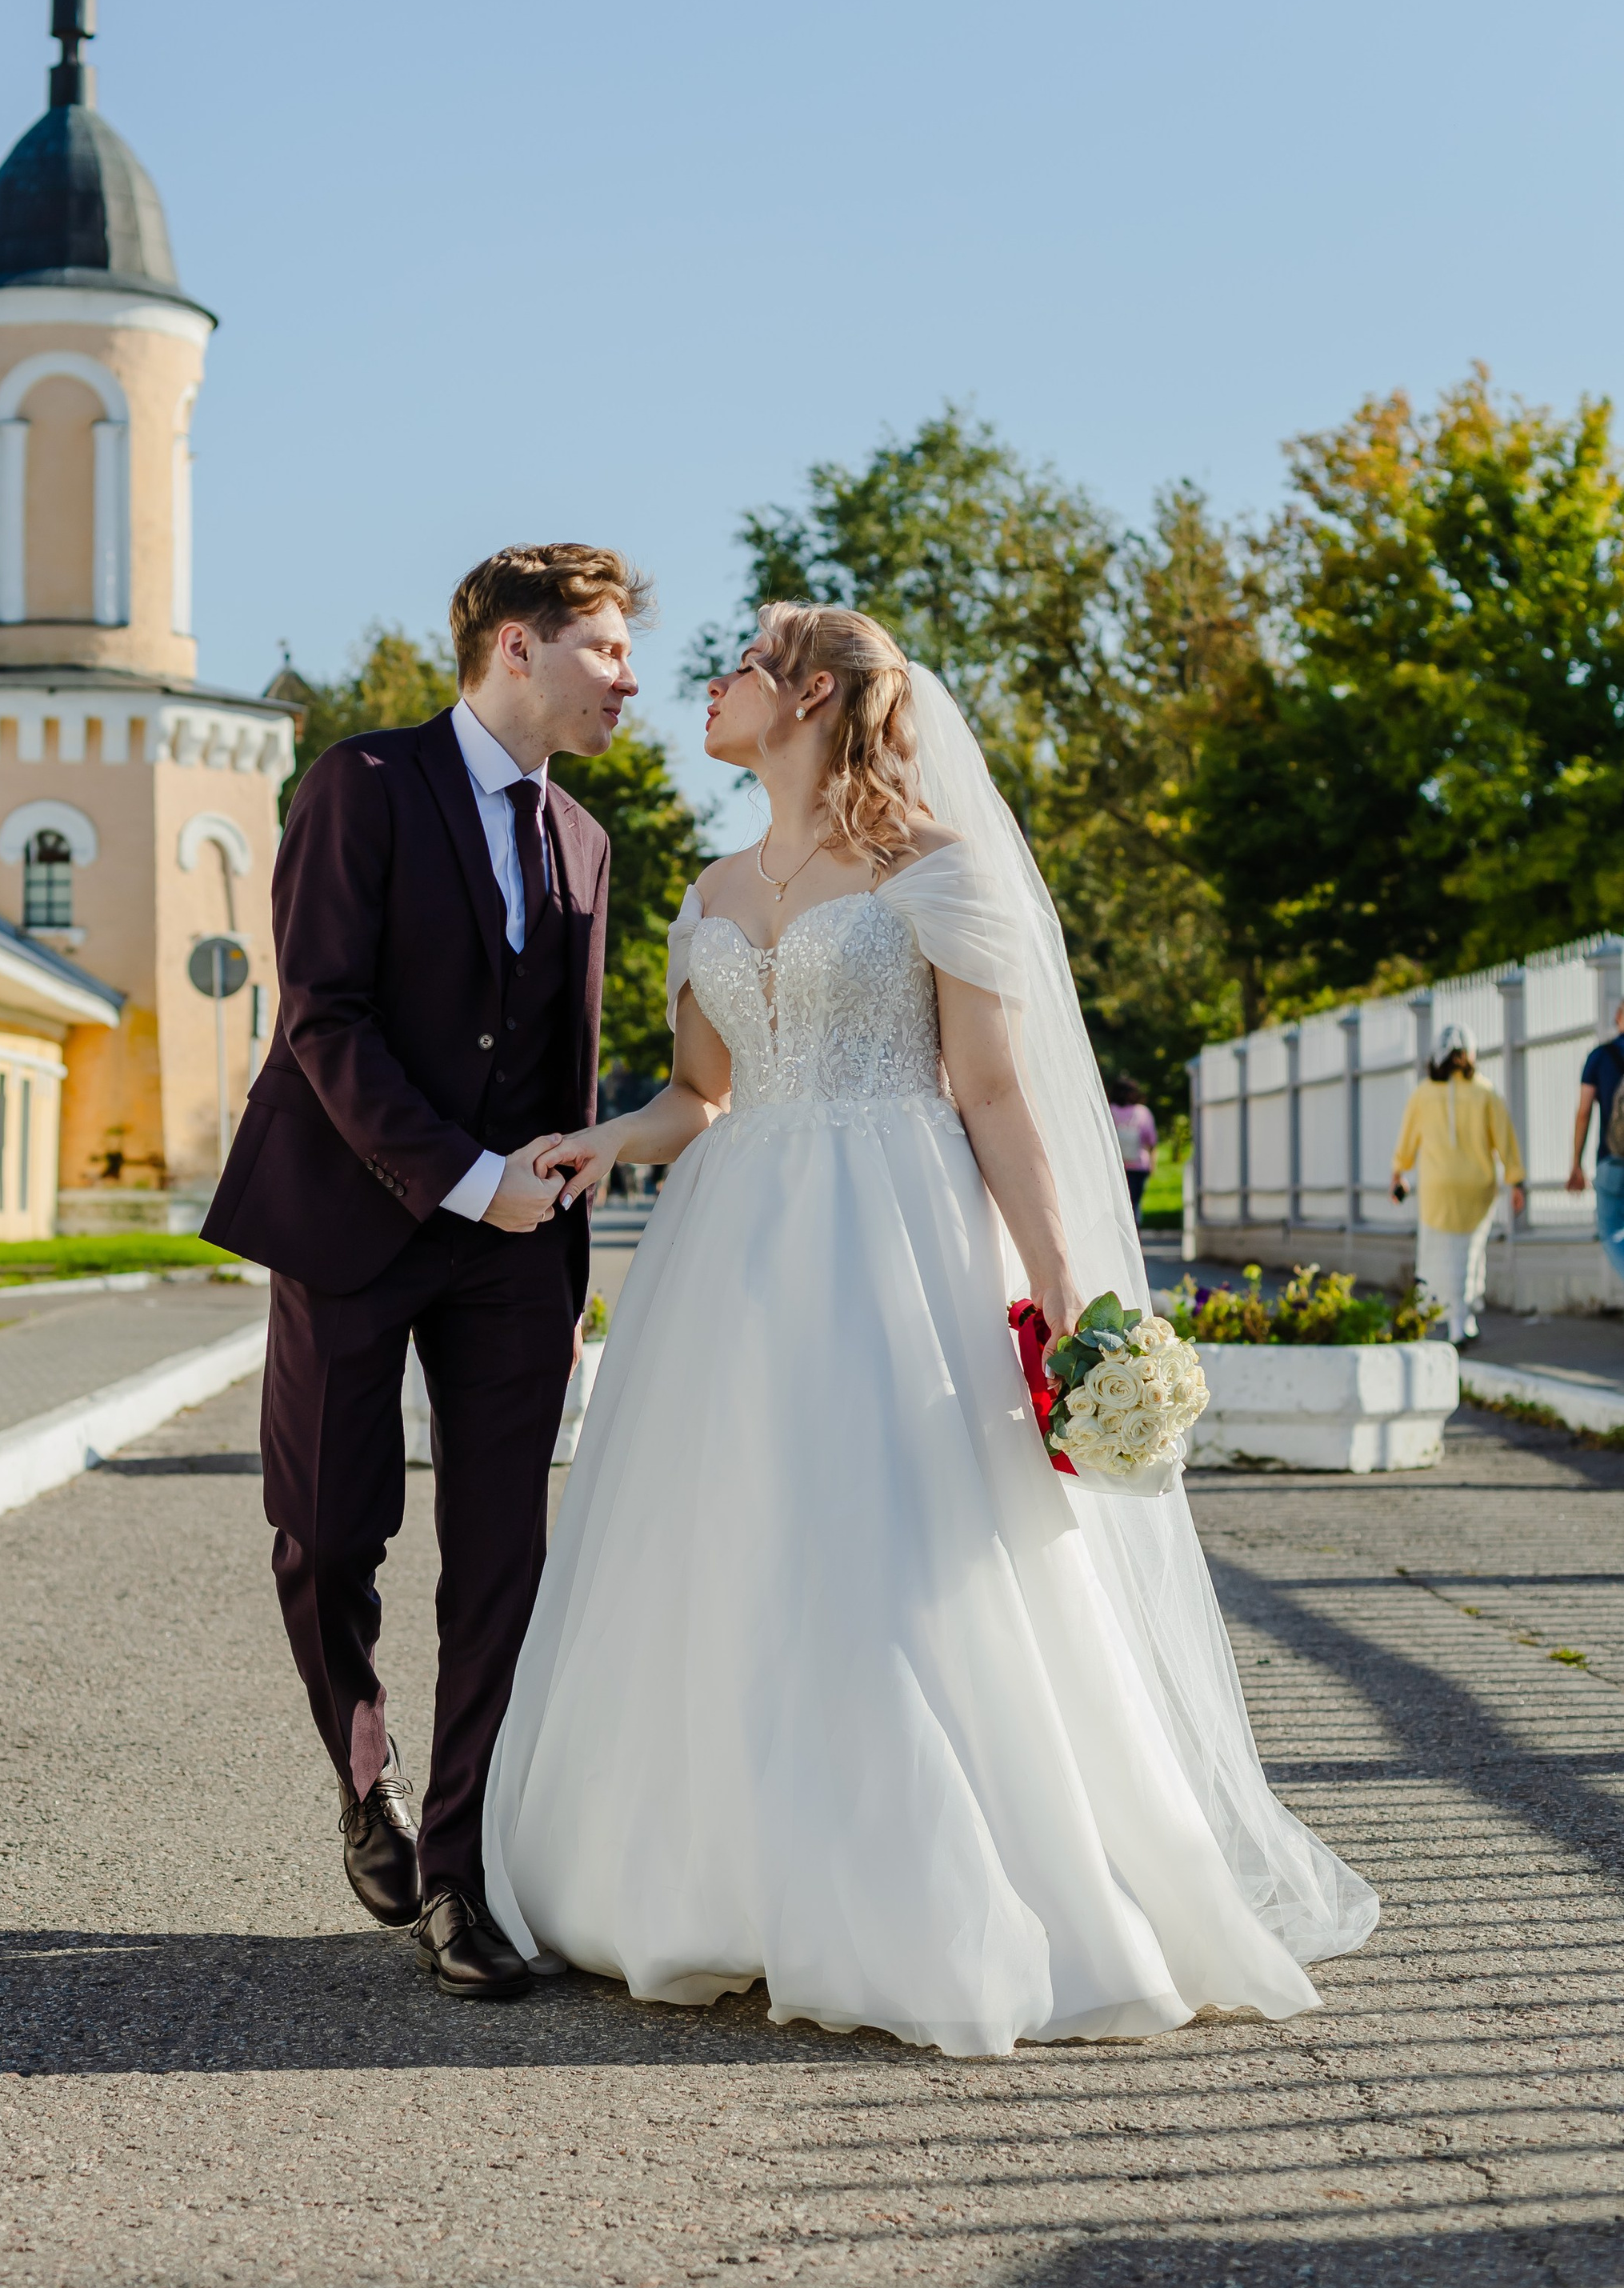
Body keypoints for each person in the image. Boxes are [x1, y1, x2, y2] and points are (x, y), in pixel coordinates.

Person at [482, 605, 1378, 2055]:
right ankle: (727, 1881)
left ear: (815, 695)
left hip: (900, 1234)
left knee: (896, 1544)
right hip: (735, 1247)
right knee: (742, 1540)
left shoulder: (936, 873)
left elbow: (997, 1096)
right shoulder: (705, 889)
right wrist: (601, 1139)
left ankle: (930, 1895)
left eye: (742, 668)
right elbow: (700, 1094)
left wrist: (1077, 1300)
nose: (705, 688)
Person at [203, 545, 641, 2001]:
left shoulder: (583, 841)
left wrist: (557, 1234)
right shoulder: (363, 785)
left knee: (502, 1555)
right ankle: (364, 1770)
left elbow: (561, 1060)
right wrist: (464, 1177)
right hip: (355, 1217)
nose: (628, 677)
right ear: (517, 648)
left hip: (518, 1258)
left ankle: (458, 1872)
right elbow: (325, 1020)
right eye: (606, 647)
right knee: (329, 1533)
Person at [1389, 1026, 1523, 1346]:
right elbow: (1505, 1140)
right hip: (1477, 1187)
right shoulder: (1486, 1092)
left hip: (1437, 1187)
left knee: (1438, 1251)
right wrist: (1515, 1180)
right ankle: (1463, 1321)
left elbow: (1407, 1139)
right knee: (1470, 1252)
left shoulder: (1423, 1093)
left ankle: (1446, 1319)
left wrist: (1399, 1172)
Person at [1566, 996, 1624, 1288]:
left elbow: (1584, 1113)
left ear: (1618, 1016)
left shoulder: (1600, 1057)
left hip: (1612, 1161)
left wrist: (1576, 1164)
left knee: (1613, 1232)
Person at [1107, 1076, 1158, 1221]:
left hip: (1115, 1165)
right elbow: (1151, 1141)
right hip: (1138, 1165)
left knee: (1116, 1204)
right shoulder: (1142, 1112)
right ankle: (1135, 1234)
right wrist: (1153, 1164)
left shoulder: (1109, 1111)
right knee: (1134, 1204)